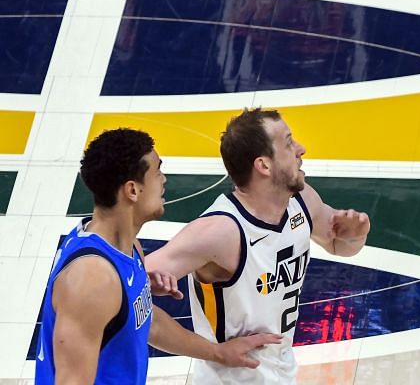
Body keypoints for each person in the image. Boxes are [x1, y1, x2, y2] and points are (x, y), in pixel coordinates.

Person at [35, 128, 280, 384]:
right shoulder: (93, 279)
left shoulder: (126, 248)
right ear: (132, 190)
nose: (164, 179)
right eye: (157, 171)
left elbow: (149, 322)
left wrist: (218, 352)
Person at [146, 108, 371, 384]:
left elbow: (339, 245)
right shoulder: (221, 231)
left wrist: (356, 234)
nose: (301, 149)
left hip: (282, 374)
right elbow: (124, 292)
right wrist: (213, 352)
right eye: (288, 142)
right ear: (263, 165)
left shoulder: (302, 201)